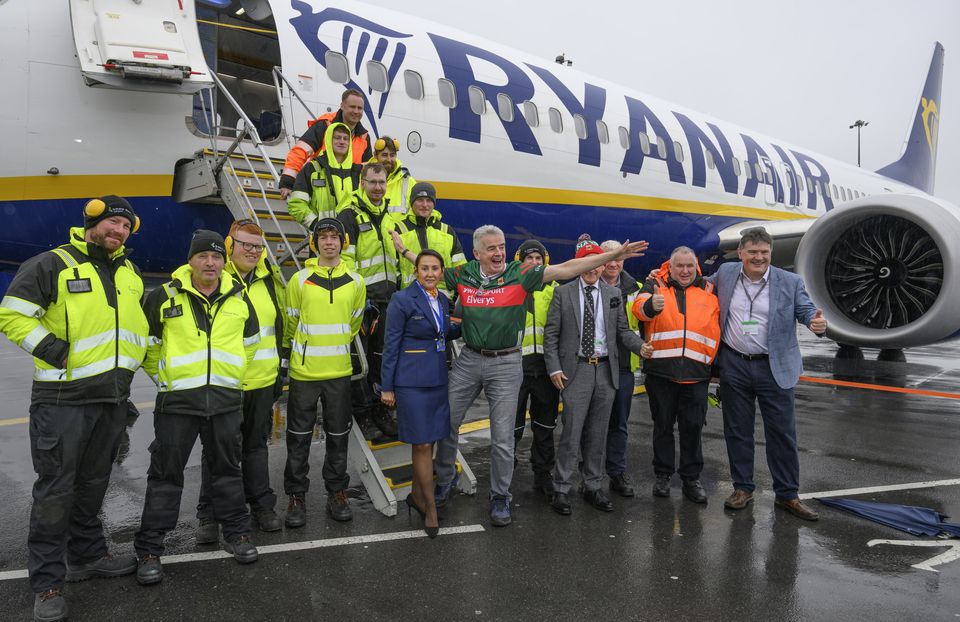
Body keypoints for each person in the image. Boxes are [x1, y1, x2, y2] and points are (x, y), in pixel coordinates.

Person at [433, 225, 649, 527]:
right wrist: (404, 251)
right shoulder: (464, 274)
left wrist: (612, 254)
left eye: (502, 246)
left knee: (503, 437)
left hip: (506, 361)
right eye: (492, 248)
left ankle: (500, 497)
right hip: (469, 358)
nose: (499, 252)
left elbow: (568, 267)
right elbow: (429, 270)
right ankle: (445, 479)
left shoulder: (520, 273)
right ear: (477, 253)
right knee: (445, 422)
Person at [0, 196, 147, 621]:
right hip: (63, 399)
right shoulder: (53, 264)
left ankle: (87, 555)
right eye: (113, 223)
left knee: (93, 484)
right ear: (92, 223)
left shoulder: (129, 273)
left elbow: (134, 330)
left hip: (111, 398)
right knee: (56, 490)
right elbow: (13, 315)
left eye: (126, 227)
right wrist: (53, 350)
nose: (118, 232)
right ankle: (47, 583)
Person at [135, 230, 261, 586]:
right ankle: (149, 549)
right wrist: (169, 377)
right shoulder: (163, 296)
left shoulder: (239, 299)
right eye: (203, 256)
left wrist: (231, 374)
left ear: (224, 261)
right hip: (178, 402)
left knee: (227, 470)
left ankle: (237, 534)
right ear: (190, 260)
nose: (210, 263)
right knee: (165, 475)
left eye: (217, 257)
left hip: (223, 400)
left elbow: (250, 344)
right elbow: (149, 345)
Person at [710, 227, 827, 521]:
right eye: (752, 252)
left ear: (770, 254)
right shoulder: (725, 274)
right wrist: (656, 281)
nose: (758, 258)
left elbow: (805, 310)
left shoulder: (789, 281)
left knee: (782, 433)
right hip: (734, 363)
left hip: (773, 365)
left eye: (764, 253)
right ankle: (742, 488)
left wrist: (816, 325)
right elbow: (696, 285)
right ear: (741, 253)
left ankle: (787, 495)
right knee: (737, 430)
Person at [195, 220, 286, 543]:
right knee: (218, 451)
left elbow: (279, 327)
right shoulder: (215, 279)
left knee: (255, 447)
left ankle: (261, 505)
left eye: (257, 247)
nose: (252, 251)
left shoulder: (269, 281)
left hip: (262, 382)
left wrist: (280, 369)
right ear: (229, 246)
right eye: (245, 244)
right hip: (225, 384)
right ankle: (209, 514)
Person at [543, 237, 645, 516]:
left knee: (598, 434)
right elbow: (550, 336)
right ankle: (562, 487)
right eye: (588, 264)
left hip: (605, 370)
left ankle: (592, 485)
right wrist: (554, 367)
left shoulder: (613, 295)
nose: (593, 270)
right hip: (576, 370)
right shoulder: (563, 293)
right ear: (581, 265)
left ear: (601, 266)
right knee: (571, 433)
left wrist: (641, 347)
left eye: (597, 264)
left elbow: (622, 331)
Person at [282, 218, 366, 526]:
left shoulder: (356, 282)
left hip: (338, 372)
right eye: (323, 237)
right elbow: (291, 323)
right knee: (298, 437)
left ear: (343, 243)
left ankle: (337, 492)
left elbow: (353, 323)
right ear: (315, 242)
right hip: (304, 374)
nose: (329, 242)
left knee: (337, 436)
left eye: (334, 237)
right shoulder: (299, 280)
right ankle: (296, 496)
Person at [380, 250, 460, 537]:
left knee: (431, 443)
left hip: (437, 378)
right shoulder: (402, 300)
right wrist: (387, 386)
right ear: (415, 271)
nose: (429, 273)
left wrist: (465, 322)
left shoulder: (442, 299)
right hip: (411, 382)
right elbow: (391, 344)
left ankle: (416, 496)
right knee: (422, 445)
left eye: (434, 268)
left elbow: (441, 333)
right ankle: (431, 508)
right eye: (424, 268)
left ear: (441, 272)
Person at [632, 246, 720, 503]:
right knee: (662, 427)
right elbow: (638, 309)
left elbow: (718, 329)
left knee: (692, 428)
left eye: (689, 266)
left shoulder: (709, 290)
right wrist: (650, 305)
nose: (684, 271)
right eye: (679, 266)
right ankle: (662, 476)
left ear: (696, 268)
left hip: (697, 373)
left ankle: (691, 479)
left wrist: (716, 370)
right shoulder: (654, 285)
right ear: (669, 267)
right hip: (661, 371)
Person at [338, 162, 401, 439]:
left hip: (388, 300)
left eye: (382, 183)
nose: (377, 188)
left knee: (382, 357)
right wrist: (357, 295)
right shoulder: (349, 215)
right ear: (362, 183)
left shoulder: (391, 219)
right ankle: (362, 413)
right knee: (359, 360)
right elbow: (346, 260)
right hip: (365, 302)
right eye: (373, 182)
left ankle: (380, 409)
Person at [511, 240, 560, 496]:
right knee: (512, 426)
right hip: (515, 368)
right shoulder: (510, 286)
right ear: (520, 261)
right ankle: (506, 472)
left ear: (545, 262)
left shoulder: (554, 289)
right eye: (529, 258)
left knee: (544, 426)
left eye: (538, 259)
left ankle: (542, 473)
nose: (533, 263)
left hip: (544, 370)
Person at [598, 239, 643, 498]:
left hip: (624, 366)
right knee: (591, 424)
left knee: (619, 423)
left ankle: (616, 472)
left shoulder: (635, 289)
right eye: (609, 258)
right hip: (596, 363)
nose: (613, 264)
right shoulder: (589, 286)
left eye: (618, 259)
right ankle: (588, 473)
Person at [279, 88, 372, 198]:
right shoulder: (325, 125)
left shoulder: (364, 137)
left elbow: (367, 170)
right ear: (342, 106)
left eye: (360, 108)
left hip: (347, 196)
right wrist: (287, 182)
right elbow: (300, 151)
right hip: (320, 191)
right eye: (352, 107)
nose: (356, 111)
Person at [390, 181, 467, 290]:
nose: (425, 205)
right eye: (420, 200)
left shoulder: (447, 231)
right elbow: (392, 269)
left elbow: (461, 270)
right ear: (412, 202)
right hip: (411, 298)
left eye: (429, 200)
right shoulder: (399, 230)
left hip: (443, 298)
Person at [287, 123, 362, 228]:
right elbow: (296, 204)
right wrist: (315, 224)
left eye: (346, 139)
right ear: (328, 140)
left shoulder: (357, 172)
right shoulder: (312, 168)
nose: (342, 141)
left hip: (352, 238)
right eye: (337, 138)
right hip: (323, 238)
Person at [372, 135, 417, 214]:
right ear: (375, 155)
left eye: (392, 155)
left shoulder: (409, 182)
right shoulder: (363, 178)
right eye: (384, 155)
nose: (389, 159)